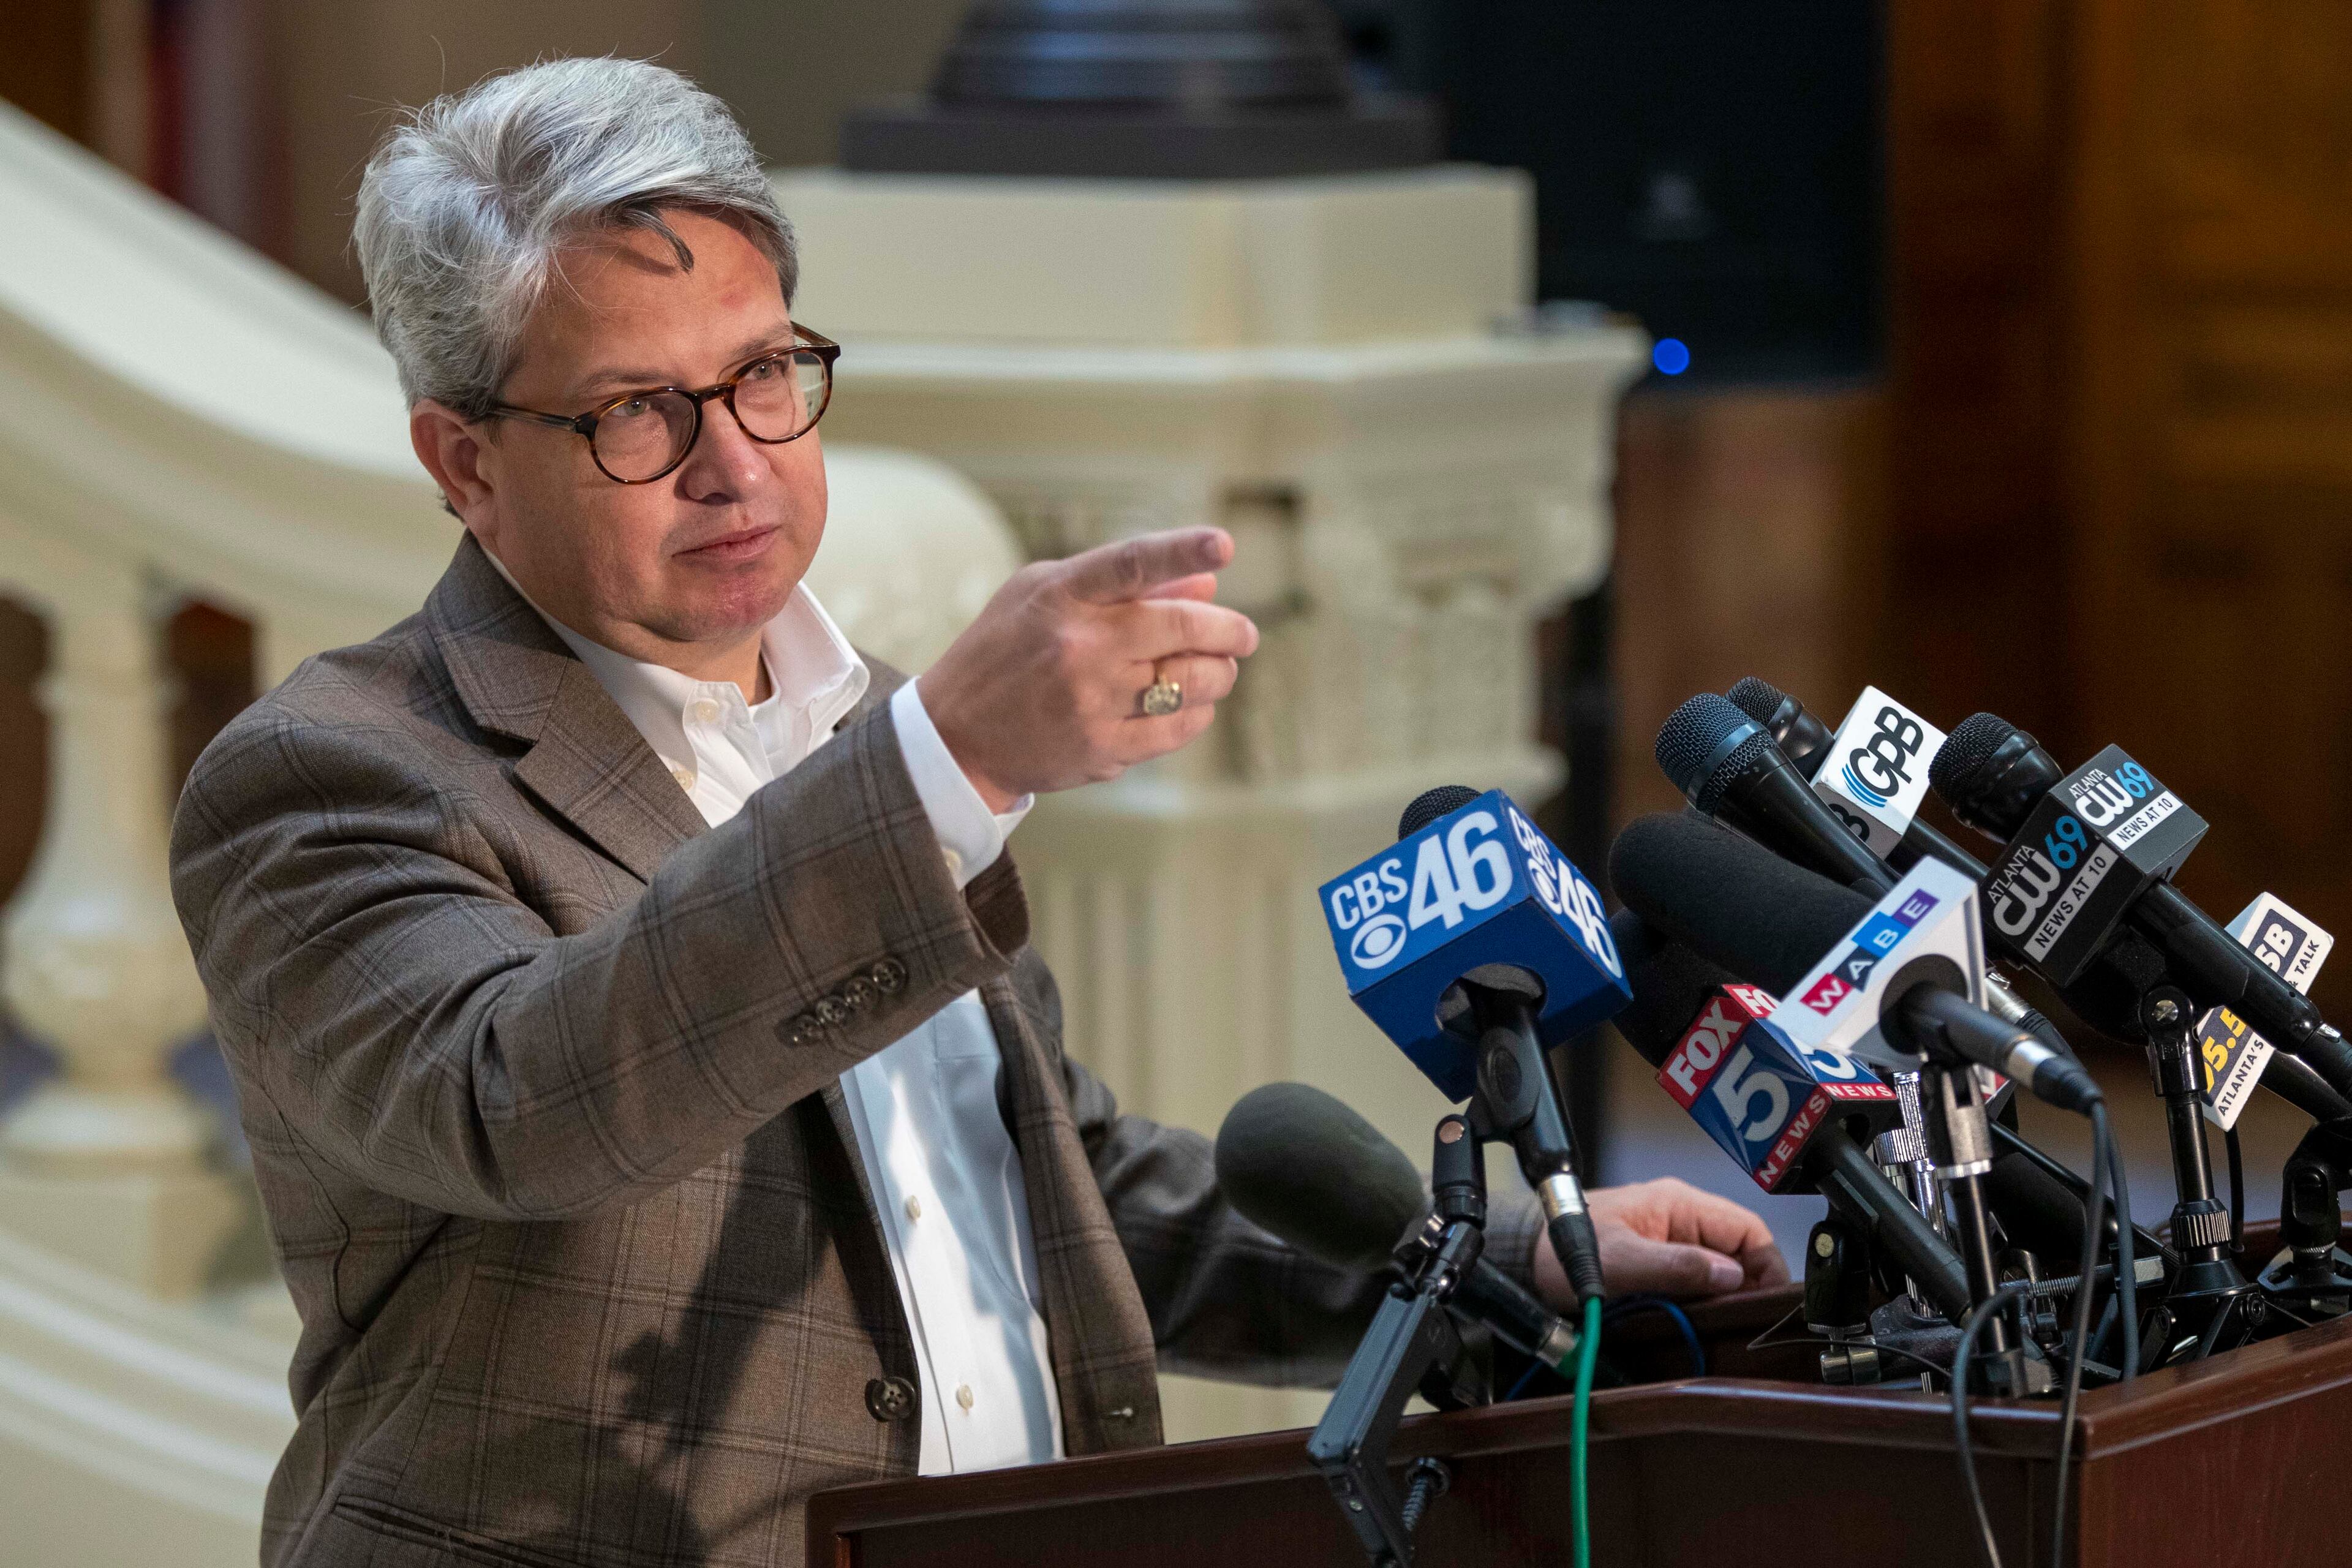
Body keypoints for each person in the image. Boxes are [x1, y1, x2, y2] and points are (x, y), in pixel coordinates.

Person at [168, 56, 1788, 1568]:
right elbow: (526, 1100)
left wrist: (1503, 1263)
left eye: (764, 373)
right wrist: (938, 768)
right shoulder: (334, 773)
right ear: (462, 462)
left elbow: (1055, 1199)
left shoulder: (857, 727)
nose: (734, 463)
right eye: (637, 410)